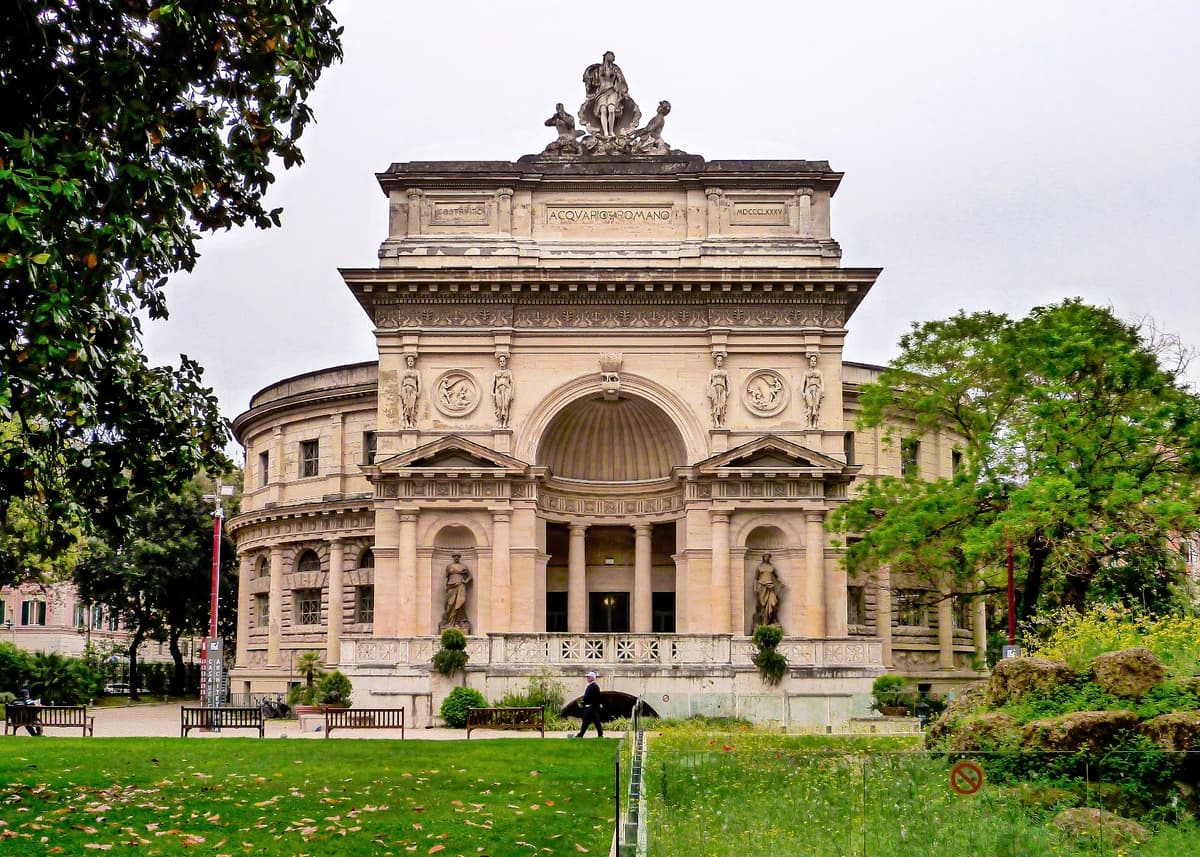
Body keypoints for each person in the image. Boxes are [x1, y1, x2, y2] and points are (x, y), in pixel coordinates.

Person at [580, 51, 636, 139]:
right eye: (610, 56)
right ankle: (605, 131)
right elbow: (592, 81)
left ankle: (611, 131)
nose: (612, 58)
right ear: (605, 56)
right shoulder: (598, 69)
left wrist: (622, 91)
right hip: (601, 92)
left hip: (612, 91)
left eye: (612, 56)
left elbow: (621, 81)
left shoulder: (615, 69)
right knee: (603, 110)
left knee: (611, 109)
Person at [439, 553, 472, 633]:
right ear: (453, 557)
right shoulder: (449, 566)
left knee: (460, 603)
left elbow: (470, 577)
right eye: (454, 556)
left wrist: (465, 581)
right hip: (451, 586)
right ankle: (449, 623)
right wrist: (445, 586)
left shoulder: (463, 567)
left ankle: (459, 621)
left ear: (459, 557)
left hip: (460, 586)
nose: (456, 557)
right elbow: (446, 577)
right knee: (450, 604)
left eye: (457, 556)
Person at [753, 553, 780, 628]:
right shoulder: (759, 567)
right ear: (763, 557)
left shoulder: (772, 567)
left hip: (770, 587)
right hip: (762, 586)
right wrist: (755, 588)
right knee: (762, 605)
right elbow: (755, 578)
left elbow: (777, 577)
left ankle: (774, 619)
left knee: (773, 603)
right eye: (765, 556)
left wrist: (781, 583)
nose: (767, 557)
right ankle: (764, 622)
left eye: (768, 556)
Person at [574, 671, 603, 738]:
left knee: (595, 721)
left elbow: (596, 698)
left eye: (588, 677)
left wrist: (587, 703)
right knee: (587, 721)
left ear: (592, 678)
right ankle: (581, 734)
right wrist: (583, 703)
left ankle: (599, 734)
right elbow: (586, 696)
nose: (587, 678)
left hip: (592, 707)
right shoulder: (590, 686)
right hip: (588, 707)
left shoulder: (595, 687)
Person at [802, 353, 824, 429]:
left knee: (816, 406)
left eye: (814, 361)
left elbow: (822, 382)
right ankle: (809, 423)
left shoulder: (819, 372)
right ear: (809, 362)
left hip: (817, 389)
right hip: (808, 389)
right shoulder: (806, 372)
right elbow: (803, 383)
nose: (813, 362)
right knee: (810, 405)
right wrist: (802, 392)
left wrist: (822, 391)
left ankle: (814, 423)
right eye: (812, 361)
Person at [707, 352, 728, 427]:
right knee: (716, 406)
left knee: (722, 406)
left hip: (722, 389)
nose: (719, 362)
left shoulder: (725, 372)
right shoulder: (712, 372)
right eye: (718, 361)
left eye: (721, 361)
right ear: (716, 361)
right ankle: (716, 422)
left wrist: (728, 391)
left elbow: (727, 382)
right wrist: (709, 391)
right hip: (714, 389)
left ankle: (721, 422)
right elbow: (709, 382)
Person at [492, 354, 513, 427]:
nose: (502, 362)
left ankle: (505, 422)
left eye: (503, 361)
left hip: (506, 389)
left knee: (506, 406)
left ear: (505, 362)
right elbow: (493, 383)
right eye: (500, 361)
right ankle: (500, 422)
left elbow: (512, 382)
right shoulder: (495, 373)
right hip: (498, 390)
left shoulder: (509, 372)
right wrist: (492, 392)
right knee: (499, 406)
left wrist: (511, 393)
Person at [400, 353, 420, 428]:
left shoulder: (417, 372)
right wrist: (400, 391)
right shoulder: (404, 372)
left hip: (413, 390)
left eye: (411, 361)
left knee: (411, 407)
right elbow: (401, 382)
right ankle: (406, 421)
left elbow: (419, 382)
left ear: (414, 362)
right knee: (405, 406)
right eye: (409, 361)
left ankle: (411, 422)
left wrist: (419, 392)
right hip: (405, 389)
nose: (410, 363)